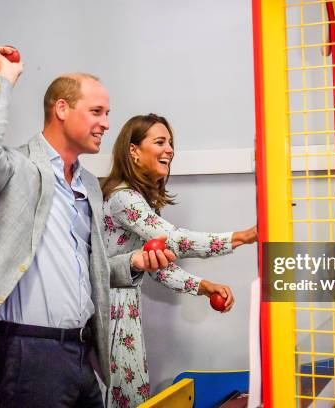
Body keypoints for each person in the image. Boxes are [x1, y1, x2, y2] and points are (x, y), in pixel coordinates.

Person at [0, 46, 175, 408]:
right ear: (61, 109)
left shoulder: (89, 186)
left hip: (82, 352)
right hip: (29, 352)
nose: (107, 123)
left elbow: (86, 267)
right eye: (96, 111)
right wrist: (5, 76)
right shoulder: (19, 169)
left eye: (107, 113)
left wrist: (134, 264)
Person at [101, 113, 257, 407]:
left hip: (124, 311)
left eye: (170, 143)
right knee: (128, 400)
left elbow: (157, 266)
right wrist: (242, 237)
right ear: (133, 150)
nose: (169, 149)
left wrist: (203, 286)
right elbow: (174, 239)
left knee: (132, 397)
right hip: (108, 311)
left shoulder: (139, 201)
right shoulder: (124, 199)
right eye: (160, 141)